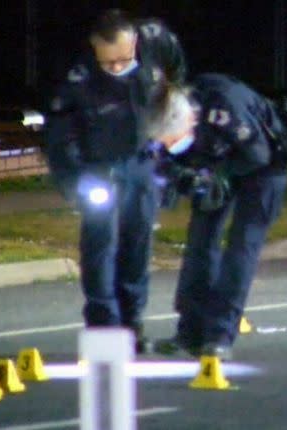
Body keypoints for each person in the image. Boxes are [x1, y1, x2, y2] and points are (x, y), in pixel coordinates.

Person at [44, 9, 186, 353]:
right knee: (100, 247)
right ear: (95, 52)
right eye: (109, 63)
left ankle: (132, 323)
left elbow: (175, 85)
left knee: (138, 245)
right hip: (98, 169)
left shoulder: (154, 50)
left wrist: (169, 166)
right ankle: (104, 325)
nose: (119, 68)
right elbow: (60, 138)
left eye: (124, 59)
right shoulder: (78, 79)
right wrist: (75, 182)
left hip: (141, 165)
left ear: (134, 43)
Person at [146, 73, 287, 359]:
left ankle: (220, 335)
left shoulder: (224, 108)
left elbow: (256, 155)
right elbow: (162, 163)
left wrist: (217, 176)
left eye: (174, 140)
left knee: (241, 247)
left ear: (191, 121)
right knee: (199, 243)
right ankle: (190, 334)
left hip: (264, 166)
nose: (170, 146)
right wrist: (184, 177)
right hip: (215, 161)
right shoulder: (162, 115)